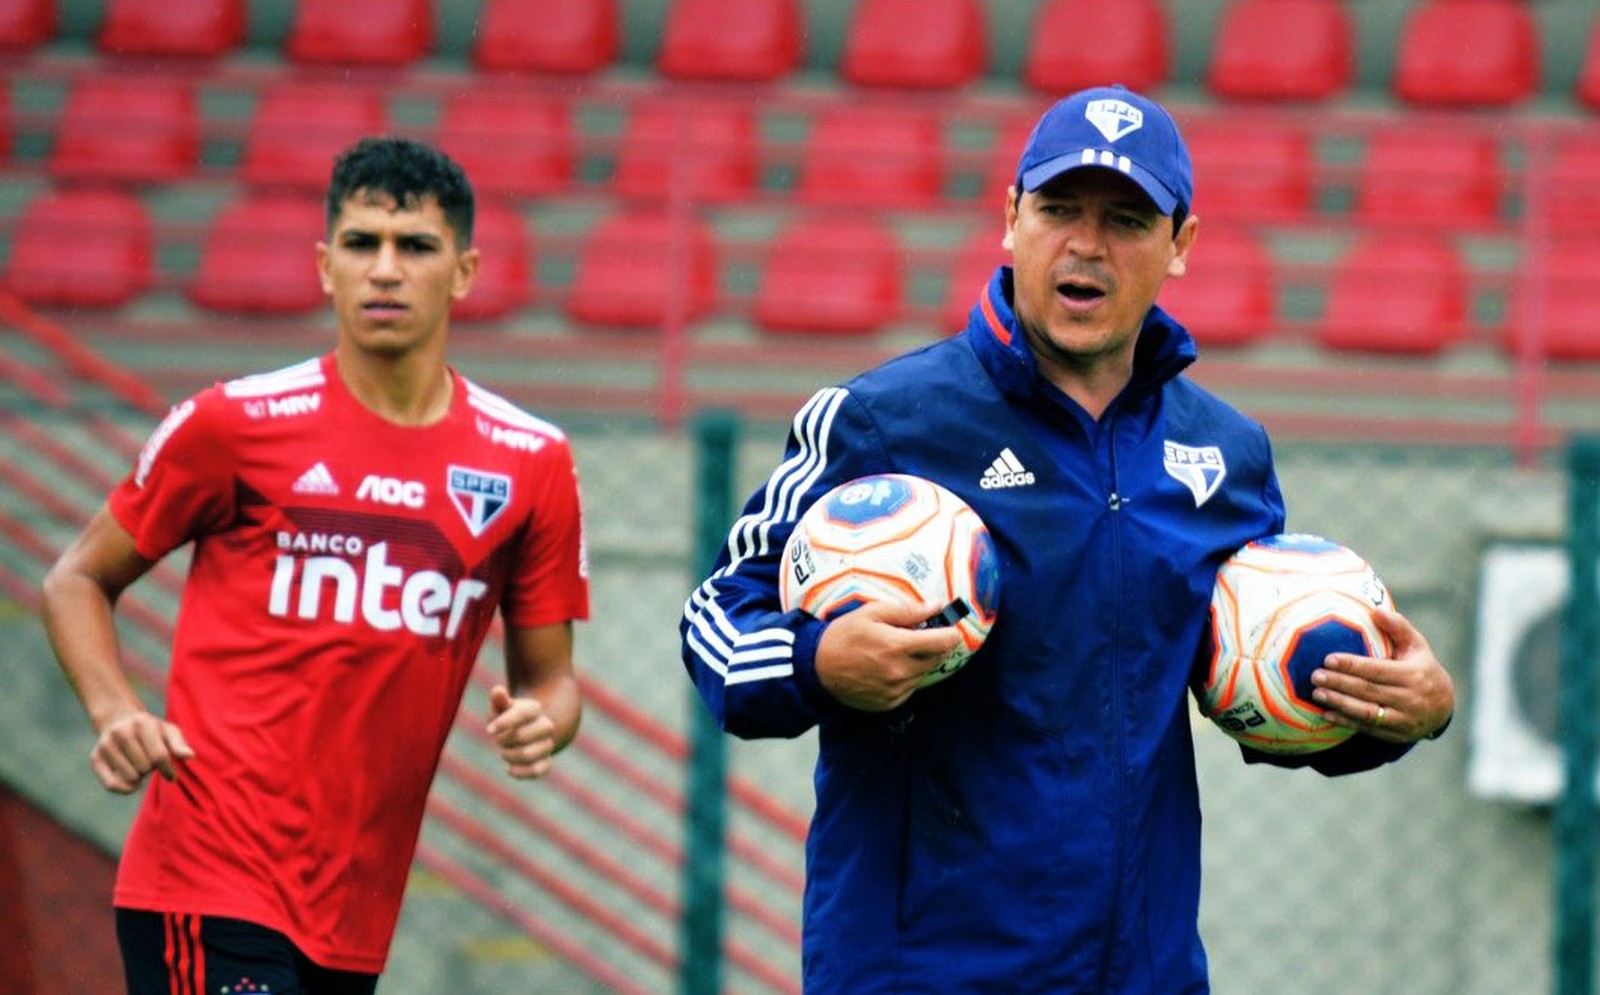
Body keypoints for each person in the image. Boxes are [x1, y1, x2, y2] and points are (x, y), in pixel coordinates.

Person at [679, 85, 1455, 994]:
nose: (1086, 244)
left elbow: (1265, 694)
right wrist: (817, 661)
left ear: (1182, 247)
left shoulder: (1227, 458)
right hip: (919, 973)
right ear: (1011, 220)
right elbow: (715, 625)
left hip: (1144, 972)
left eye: (1127, 218)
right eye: (1057, 209)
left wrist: (1402, 709)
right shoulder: (882, 422)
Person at [39, 136, 589, 995]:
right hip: (206, 875)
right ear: (325, 266)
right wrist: (114, 711)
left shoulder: (533, 461)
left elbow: (552, 682)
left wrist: (542, 722)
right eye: (362, 244)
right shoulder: (231, 423)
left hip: (355, 913)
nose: (385, 269)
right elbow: (76, 576)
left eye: (415, 247)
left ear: (466, 271)